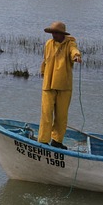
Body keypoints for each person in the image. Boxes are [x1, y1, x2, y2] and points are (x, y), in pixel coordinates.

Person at [38, 21, 82, 150]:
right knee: (46, 113)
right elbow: (45, 60)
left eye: (56, 33)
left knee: (61, 115)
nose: (53, 35)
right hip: (48, 85)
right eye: (52, 32)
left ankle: (57, 141)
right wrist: (42, 72)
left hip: (64, 86)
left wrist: (76, 57)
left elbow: (74, 51)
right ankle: (43, 140)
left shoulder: (70, 43)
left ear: (62, 34)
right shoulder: (48, 44)